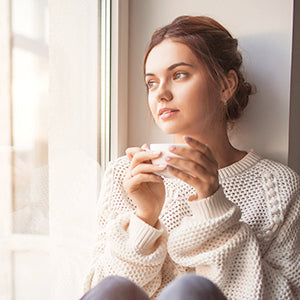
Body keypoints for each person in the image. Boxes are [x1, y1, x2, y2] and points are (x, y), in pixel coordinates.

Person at [80, 16, 300, 300]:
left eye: (179, 75)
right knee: (112, 287)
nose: (161, 93)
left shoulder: (277, 186)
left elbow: (285, 295)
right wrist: (145, 217)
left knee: (190, 290)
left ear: (225, 85)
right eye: (151, 83)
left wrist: (213, 205)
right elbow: (96, 289)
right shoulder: (127, 174)